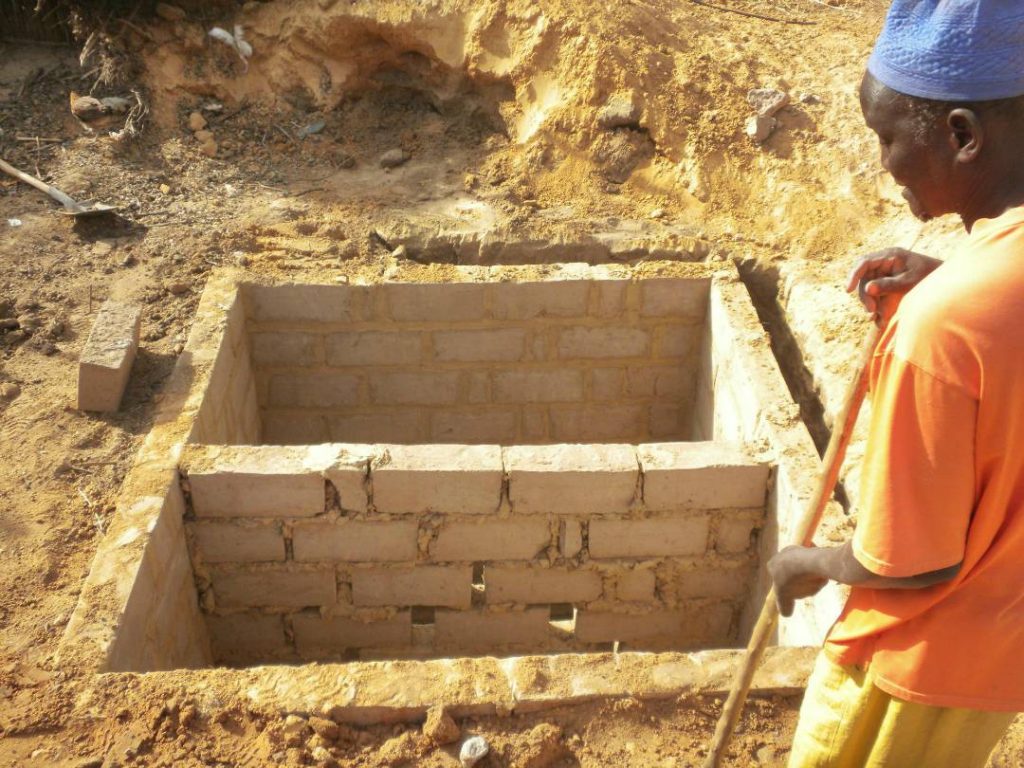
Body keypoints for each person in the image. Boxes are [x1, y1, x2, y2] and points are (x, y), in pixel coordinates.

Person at [767, 2, 1024, 766]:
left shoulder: (941, 329)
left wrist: (810, 564)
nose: (881, 162)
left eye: (887, 138)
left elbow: (914, 561)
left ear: (962, 134)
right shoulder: (980, 292)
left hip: (914, 665)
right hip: (999, 649)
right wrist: (957, 281)